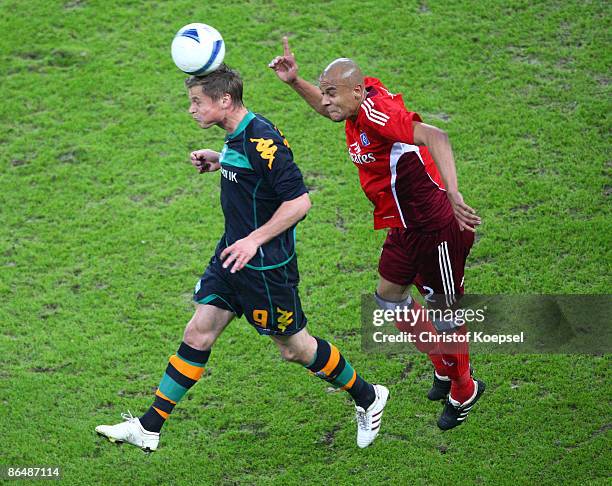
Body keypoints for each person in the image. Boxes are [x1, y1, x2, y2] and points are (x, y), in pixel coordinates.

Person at [95, 64, 388, 452]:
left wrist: (254, 240)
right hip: (232, 256)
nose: (191, 110)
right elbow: (250, 173)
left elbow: (299, 202)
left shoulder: (262, 140)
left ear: (225, 100)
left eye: (197, 102)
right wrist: (220, 160)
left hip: (265, 268)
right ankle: (149, 427)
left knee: (295, 349)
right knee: (198, 331)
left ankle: (368, 397)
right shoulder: (235, 135)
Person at [269, 39, 485, 430]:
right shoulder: (352, 107)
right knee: (390, 299)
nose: (326, 101)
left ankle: (465, 387)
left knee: (446, 315)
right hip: (403, 227)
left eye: (331, 93)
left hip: (435, 228)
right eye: (325, 91)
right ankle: (442, 364)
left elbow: (436, 136)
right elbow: (328, 108)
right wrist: (295, 81)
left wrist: (454, 194)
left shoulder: (378, 113)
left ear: (355, 91)